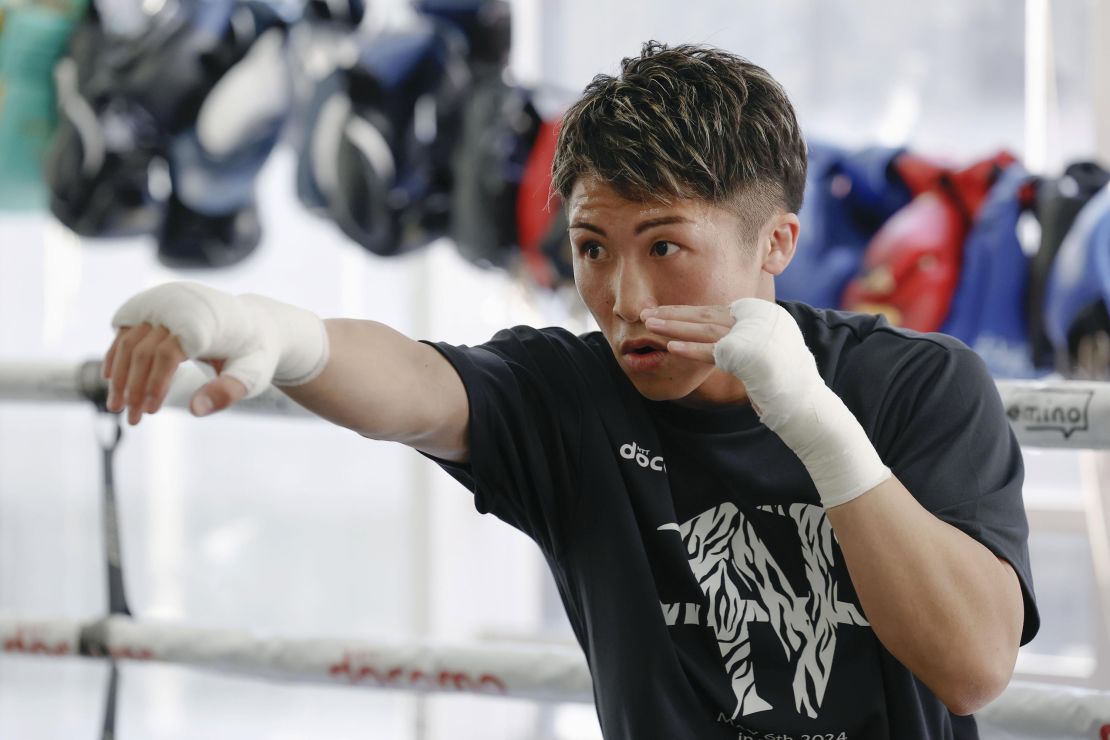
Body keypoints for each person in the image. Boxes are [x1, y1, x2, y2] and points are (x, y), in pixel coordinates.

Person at [101, 41, 1038, 740]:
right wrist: (280, 334)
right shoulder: (574, 393)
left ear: (777, 244)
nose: (625, 301)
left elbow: (974, 668)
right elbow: (423, 385)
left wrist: (818, 427)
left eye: (665, 247)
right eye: (593, 250)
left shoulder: (915, 387)